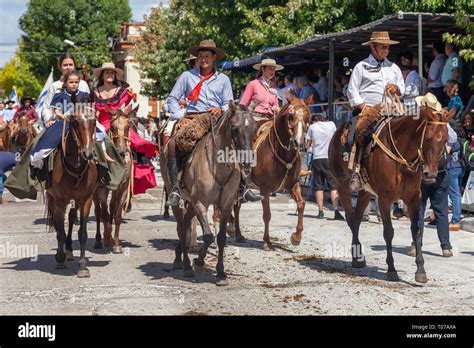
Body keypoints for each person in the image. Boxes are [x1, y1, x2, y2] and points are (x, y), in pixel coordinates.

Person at [165, 40, 260, 206]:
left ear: (214, 57)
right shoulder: (187, 76)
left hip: (218, 118)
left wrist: (221, 108)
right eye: (200, 56)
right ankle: (175, 188)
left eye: (207, 56)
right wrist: (180, 115)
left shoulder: (223, 79)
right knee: (174, 143)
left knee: (240, 140)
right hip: (193, 118)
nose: (203, 59)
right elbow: (172, 98)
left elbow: (229, 102)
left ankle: (244, 185)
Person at [347, 31, 405, 192]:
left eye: (387, 47)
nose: (386, 50)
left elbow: (403, 87)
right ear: (373, 47)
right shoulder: (361, 66)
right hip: (368, 110)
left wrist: (397, 88)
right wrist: (364, 107)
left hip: (391, 111)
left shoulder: (393, 68)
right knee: (359, 134)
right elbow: (352, 91)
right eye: (383, 46)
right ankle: (356, 171)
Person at [93, 62, 157, 196]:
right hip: (100, 125)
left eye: (112, 72)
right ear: (102, 75)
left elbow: (127, 109)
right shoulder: (95, 92)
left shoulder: (122, 92)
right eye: (107, 72)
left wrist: (121, 115)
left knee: (136, 145)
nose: (109, 75)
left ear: (115, 75)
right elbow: (93, 109)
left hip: (119, 123)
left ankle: (132, 178)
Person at [412, 94, 453, 257]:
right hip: (441, 171)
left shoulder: (421, 126)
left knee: (418, 209)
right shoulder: (443, 123)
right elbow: (455, 142)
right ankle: (446, 247)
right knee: (441, 211)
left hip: (422, 171)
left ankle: (416, 245)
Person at [31, 70, 91, 168]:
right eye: (71, 82)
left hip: (82, 121)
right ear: (65, 83)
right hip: (65, 121)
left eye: (76, 82)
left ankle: (102, 160)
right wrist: (62, 116)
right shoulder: (59, 95)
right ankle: (40, 157)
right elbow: (56, 110)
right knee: (49, 137)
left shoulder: (84, 95)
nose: (74, 84)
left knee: (101, 134)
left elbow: (89, 108)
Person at [305, 114, 344, 221]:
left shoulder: (312, 128)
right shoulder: (331, 124)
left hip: (317, 158)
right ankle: (336, 211)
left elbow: (307, 146)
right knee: (333, 185)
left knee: (319, 186)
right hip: (329, 158)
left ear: (315, 120)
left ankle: (321, 212)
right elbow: (337, 138)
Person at [41, 52, 90, 126]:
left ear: (74, 66)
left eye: (70, 65)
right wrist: (48, 120)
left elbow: (89, 104)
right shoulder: (54, 86)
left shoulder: (83, 84)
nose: (68, 67)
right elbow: (46, 108)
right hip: (59, 123)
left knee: (100, 135)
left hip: (82, 123)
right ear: (60, 67)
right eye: (65, 65)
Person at [447, 122, 465, 232]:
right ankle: (457, 216)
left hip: (452, 168)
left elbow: (446, 152)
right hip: (460, 168)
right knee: (457, 194)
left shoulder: (452, 141)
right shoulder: (461, 140)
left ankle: (455, 220)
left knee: (454, 195)